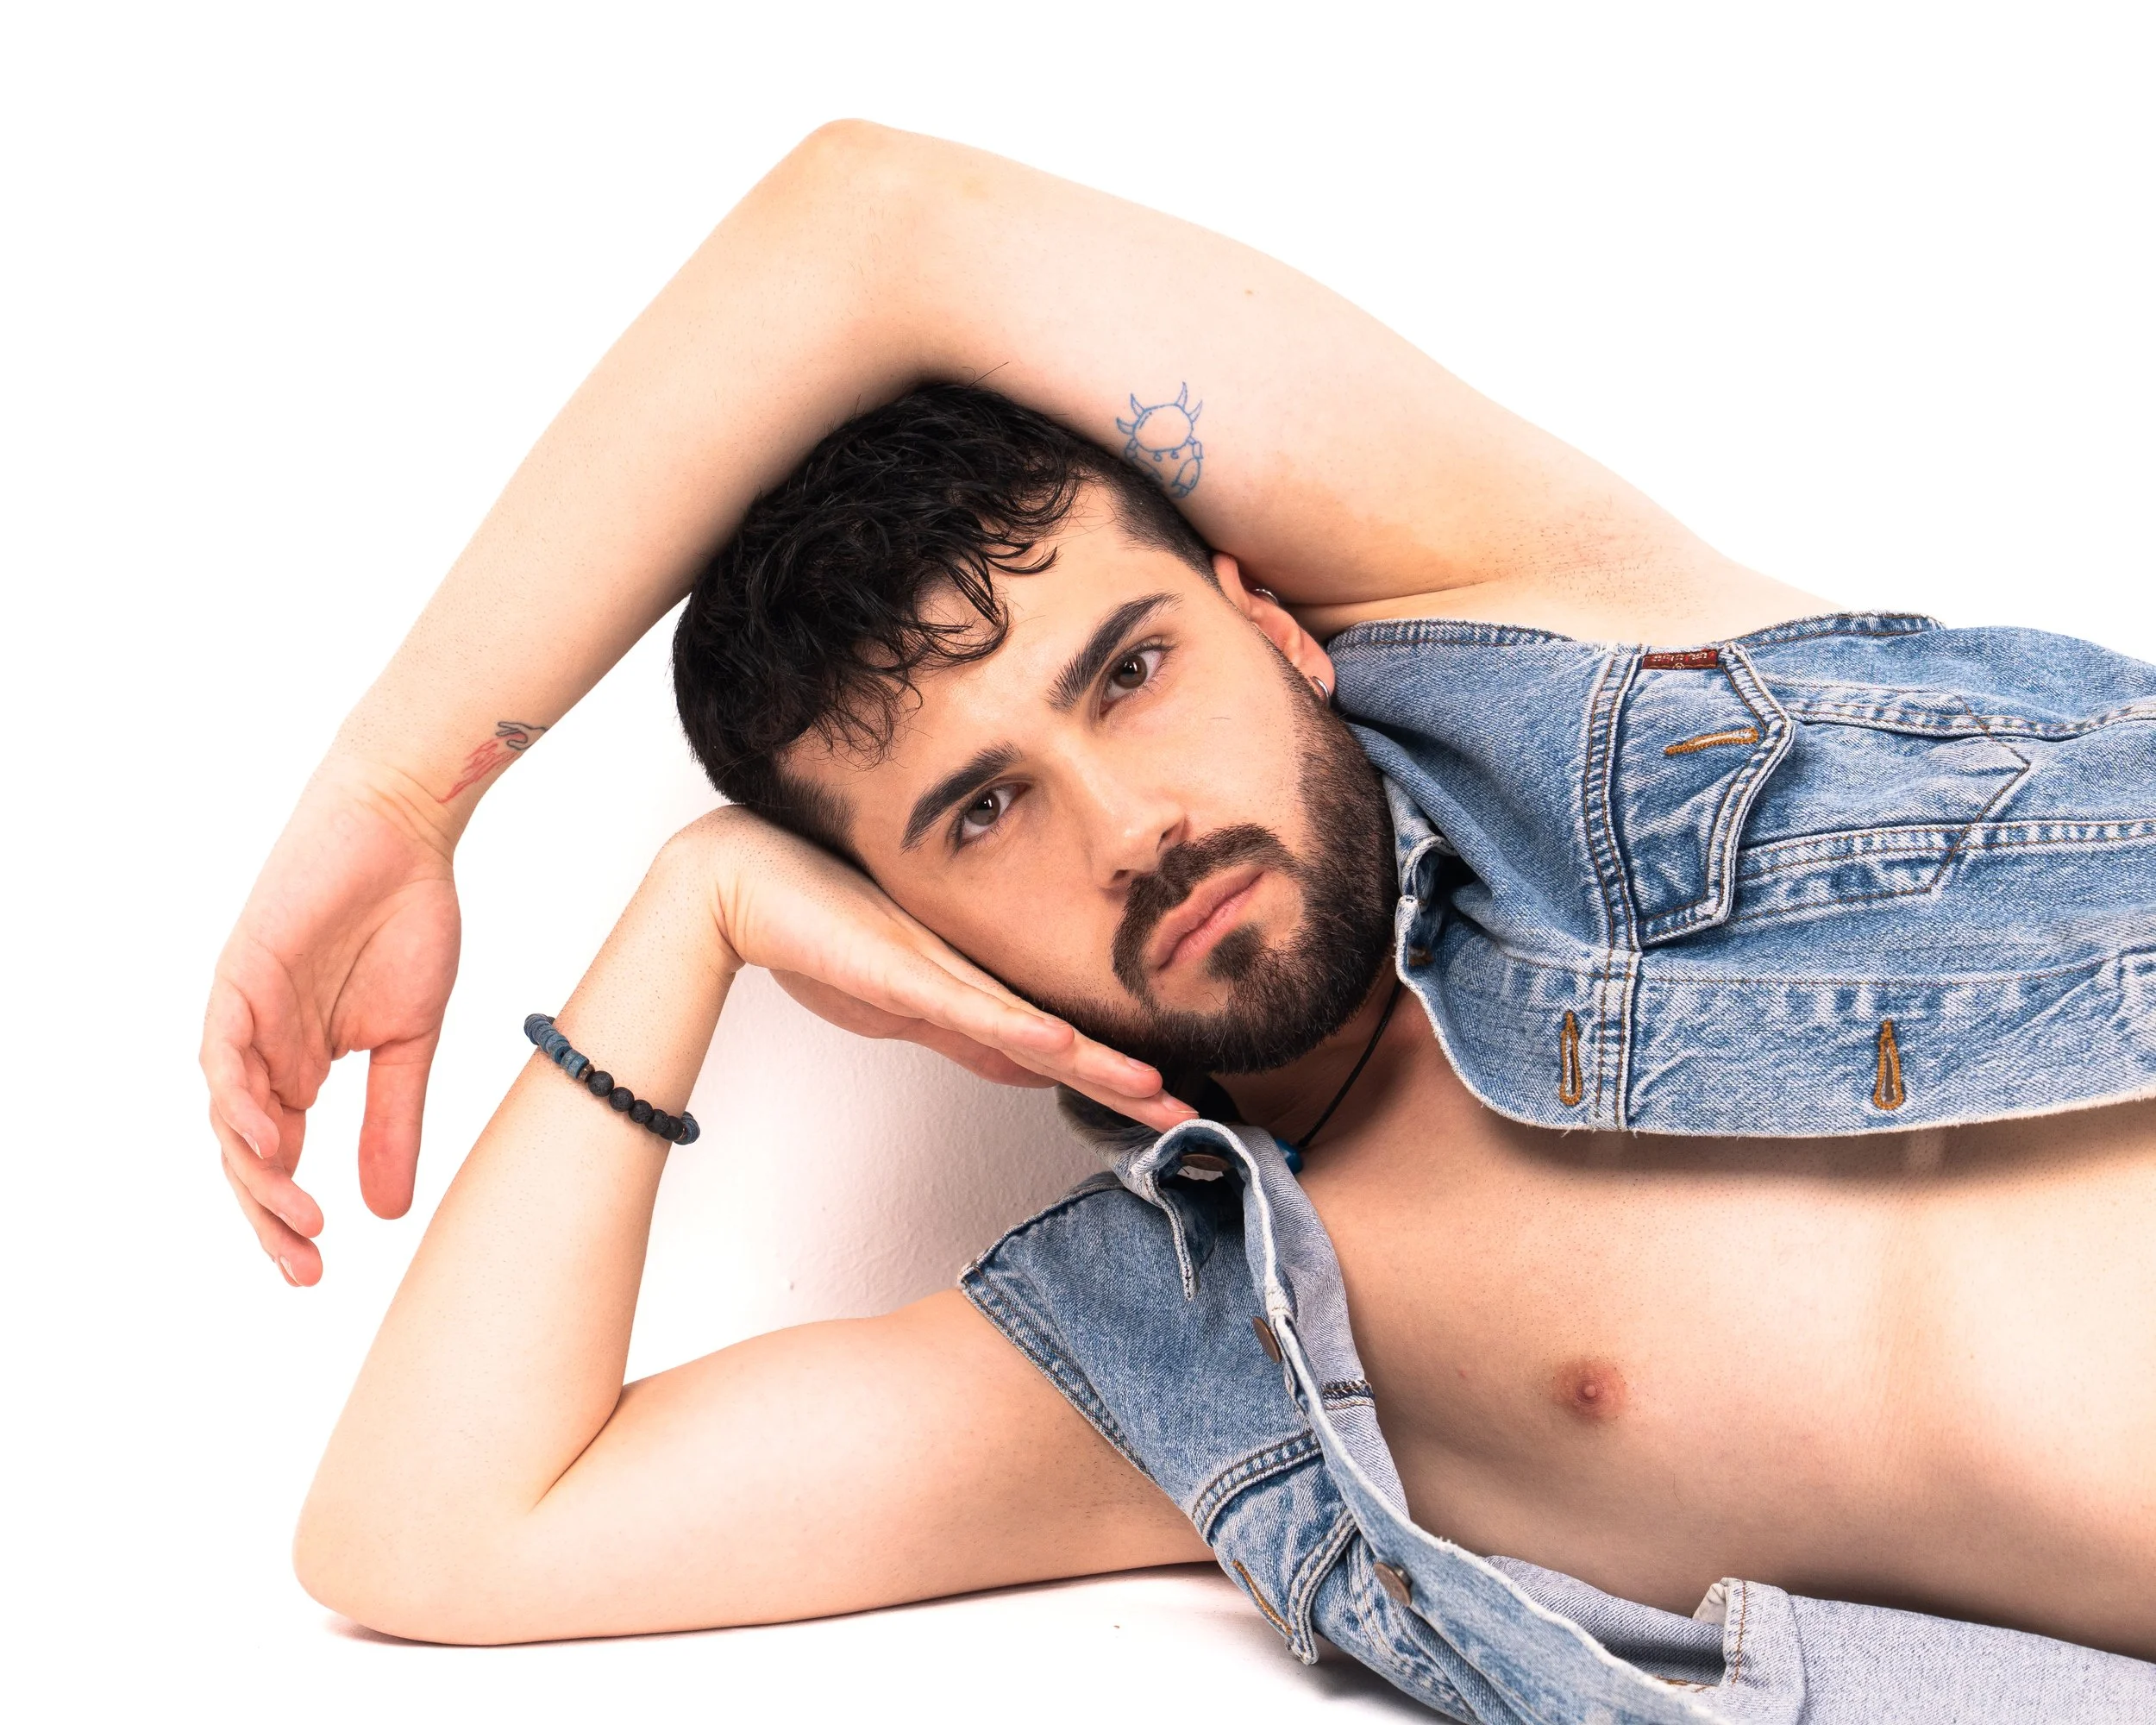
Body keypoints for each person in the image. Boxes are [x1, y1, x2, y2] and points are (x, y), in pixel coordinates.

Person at [204, 125, 2156, 1720]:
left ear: (1272, 612)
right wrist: (688, 906)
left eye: (1127, 669)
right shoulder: (1200, 1359)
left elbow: (875, 225)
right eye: (980, 812)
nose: (1125, 825)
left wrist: (398, 792)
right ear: (904, 931)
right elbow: (430, 1533)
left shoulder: (1610, 677)